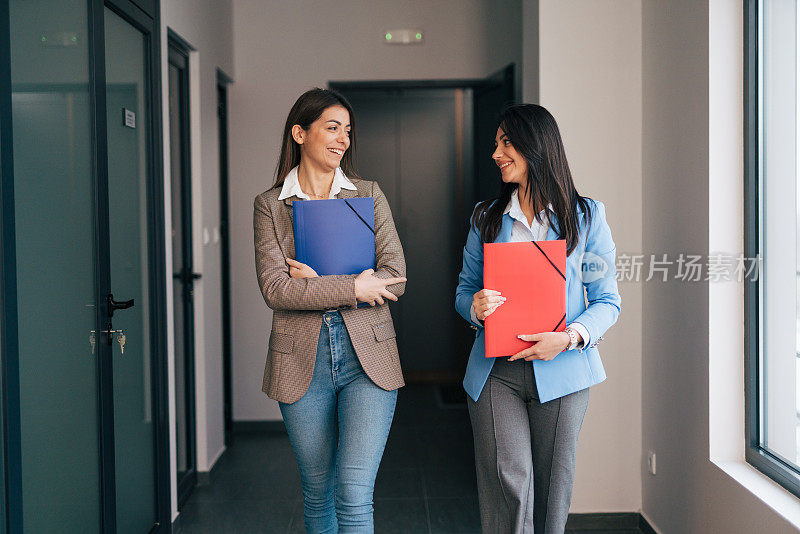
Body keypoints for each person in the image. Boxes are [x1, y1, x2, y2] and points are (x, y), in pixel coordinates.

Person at [454, 104, 622, 533]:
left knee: (552, 491)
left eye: (505, 142)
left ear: (537, 147)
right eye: (496, 143)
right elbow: (462, 291)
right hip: (496, 374)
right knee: (509, 485)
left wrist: (568, 338)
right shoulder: (486, 218)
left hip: (562, 370)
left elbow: (607, 301)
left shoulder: (587, 218)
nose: (496, 153)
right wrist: (474, 306)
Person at [253, 88, 407, 533]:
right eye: (332, 127)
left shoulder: (368, 194)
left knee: (354, 494)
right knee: (317, 491)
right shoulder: (270, 206)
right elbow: (276, 289)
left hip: (369, 361)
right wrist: (356, 286)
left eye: (348, 130)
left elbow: (395, 275)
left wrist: (317, 285)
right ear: (300, 133)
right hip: (302, 363)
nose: (343, 139)